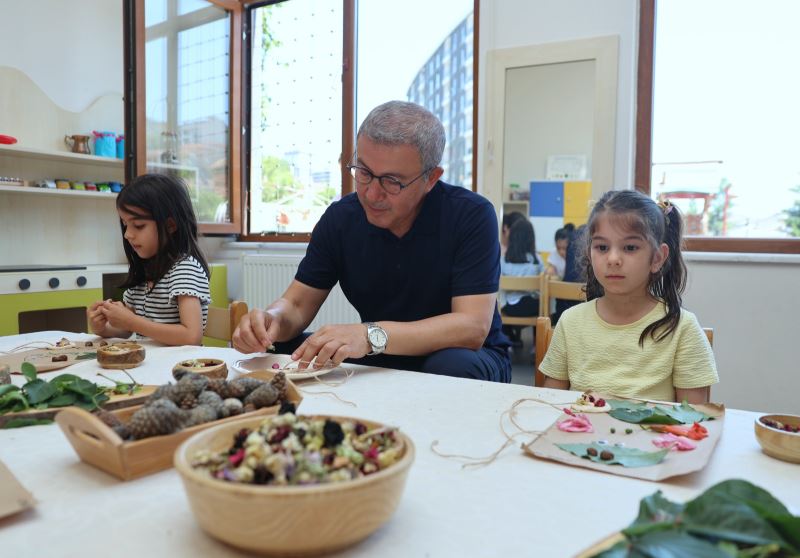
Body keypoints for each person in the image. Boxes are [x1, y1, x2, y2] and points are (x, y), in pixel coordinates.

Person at [233, 100, 511, 382]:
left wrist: (369, 335)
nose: (371, 194)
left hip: (465, 355)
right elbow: (296, 305)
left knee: (452, 365)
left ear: (431, 178)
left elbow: (471, 328)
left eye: (392, 181)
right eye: (363, 173)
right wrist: (271, 321)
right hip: (381, 351)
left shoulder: (471, 215)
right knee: (277, 350)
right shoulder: (341, 219)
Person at [541, 190, 718, 403]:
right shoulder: (570, 322)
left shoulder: (683, 329)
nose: (613, 258)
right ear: (590, 253)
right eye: (602, 247)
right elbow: (549, 404)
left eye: (630, 247)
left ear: (657, 258)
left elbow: (694, 420)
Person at [87, 174, 211, 346]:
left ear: (170, 225)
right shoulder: (144, 273)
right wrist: (102, 327)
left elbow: (191, 336)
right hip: (149, 365)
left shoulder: (185, 270)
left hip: (178, 368)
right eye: (125, 224)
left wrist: (131, 321)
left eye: (138, 225)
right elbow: (125, 330)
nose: (127, 234)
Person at [500, 219, 543, 346]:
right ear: (531, 238)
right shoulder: (536, 259)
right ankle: (537, 345)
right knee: (543, 303)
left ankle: (507, 340)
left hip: (509, 307)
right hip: (532, 307)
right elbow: (544, 276)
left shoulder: (504, 260)